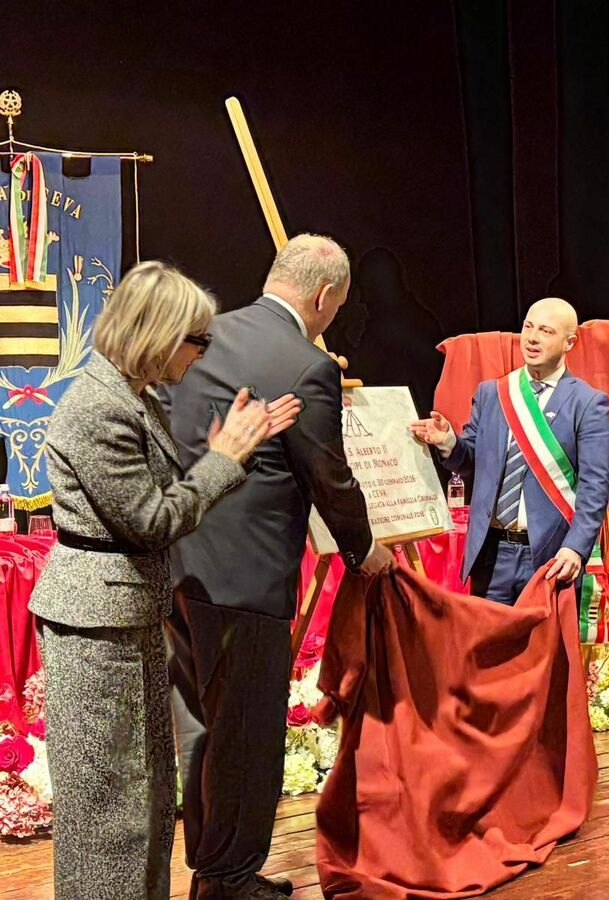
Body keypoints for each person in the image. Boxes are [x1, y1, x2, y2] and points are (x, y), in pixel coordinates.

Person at [29, 261, 300, 899]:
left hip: (122, 617)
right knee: (110, 807)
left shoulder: (131, 396)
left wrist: (218, 456)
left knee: (144, 796)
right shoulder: (100, 409)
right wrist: (225, 458)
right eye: (196, 340)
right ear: (157, 334)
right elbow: (151, 520)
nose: (202, 353)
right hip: (96, 626)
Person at [165, 235, 396, 900]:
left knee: (203, 728)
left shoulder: (203, 336)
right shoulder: (305, 364)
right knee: (246, 735)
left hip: (182, 562)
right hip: (248, 577)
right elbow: (328, 475)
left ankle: (214, 868)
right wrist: (363, 548)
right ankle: (230, 881)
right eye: (336, 308)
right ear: (324, 297)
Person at [409, 297, 609, 603]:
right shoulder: (493, 393)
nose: (532, 338)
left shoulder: (587, 403)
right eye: (528, 327)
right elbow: (472, 463)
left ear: (570, 342)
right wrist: (448, 441)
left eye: (546, 331)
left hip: (549, 557)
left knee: (543, 638)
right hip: (491, 555)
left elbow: (595, 486)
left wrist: (575, 547)